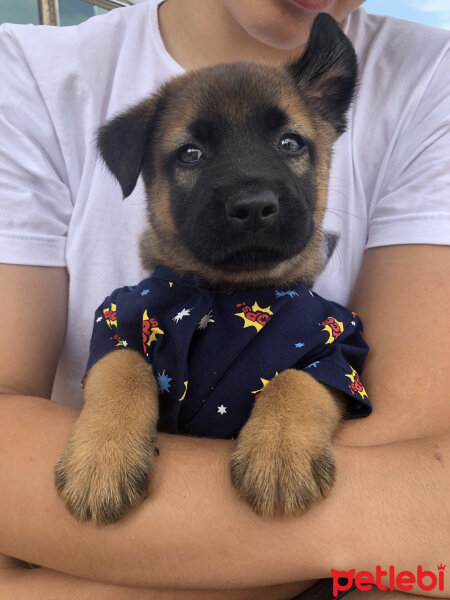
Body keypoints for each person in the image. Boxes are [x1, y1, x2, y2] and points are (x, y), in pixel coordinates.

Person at [0, 0, 449, 598]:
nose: (253, 197)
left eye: (290, 145)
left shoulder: (430, 78)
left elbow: (355, 394)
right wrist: (121, 391)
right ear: (141, 172)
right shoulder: (29, 72)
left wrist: (301, 399)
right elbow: (403, 517)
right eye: (191, 153)